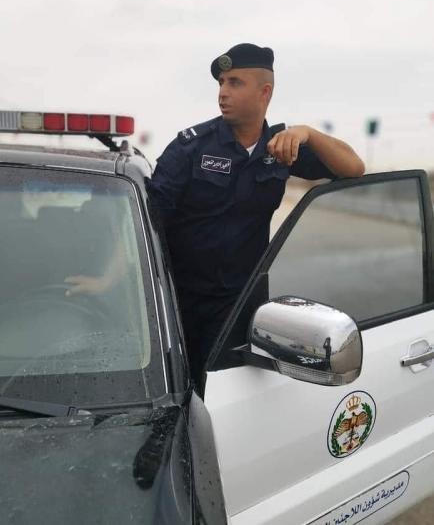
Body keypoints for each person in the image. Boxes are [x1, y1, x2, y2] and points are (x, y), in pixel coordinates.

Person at [147, 43, 365, 386]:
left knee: (229, 397)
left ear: (265, 92)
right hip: (178, 303)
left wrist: (307, 133)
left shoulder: (281, 148)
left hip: (239, 307)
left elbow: (353, 167)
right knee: (178, 391)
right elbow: (149, 222)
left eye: (235, 82)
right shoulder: (191, 147)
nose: (223, 92)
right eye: (222, 83)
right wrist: (109, 278)